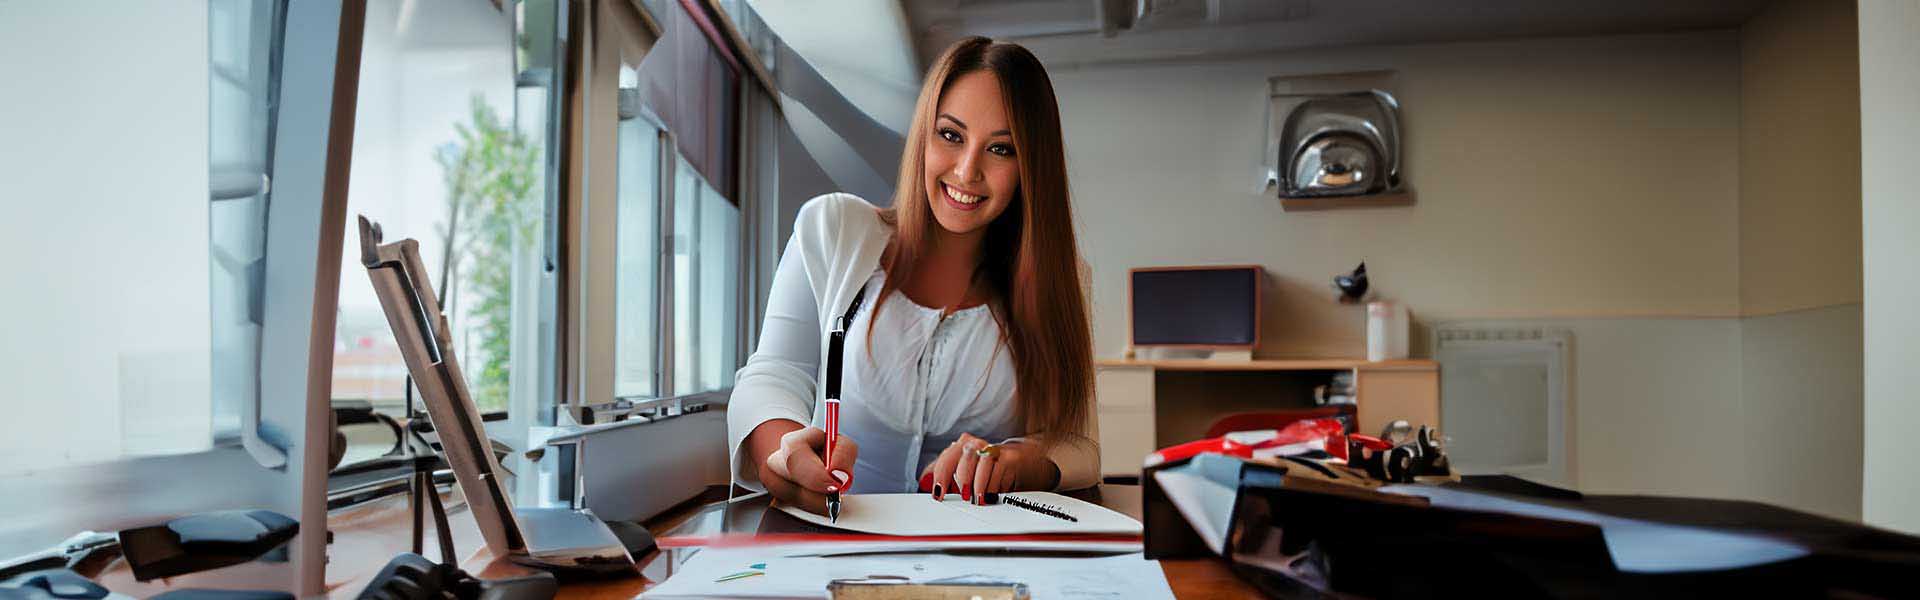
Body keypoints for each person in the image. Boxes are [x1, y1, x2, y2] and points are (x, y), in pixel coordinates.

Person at [726, 37, 1098, 515]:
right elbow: (774, 375)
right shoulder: (833, 228)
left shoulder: (1061, 279)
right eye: (951, 135)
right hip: (828, 538)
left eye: (1001, 149)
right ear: (924, 133)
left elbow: (1080, 444)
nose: (967, 171)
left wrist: (1024, 459)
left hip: (979, 554)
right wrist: (785, 455)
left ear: (1031, 167)